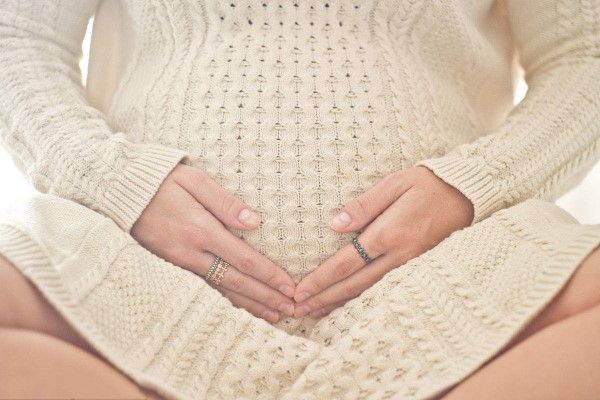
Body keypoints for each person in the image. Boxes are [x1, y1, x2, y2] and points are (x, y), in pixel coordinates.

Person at [1, 0, 599, 398]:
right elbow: (18, 37)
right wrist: (114, 181)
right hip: (137, 274)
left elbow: (585, 52)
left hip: (456, 276)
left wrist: (476, 184)